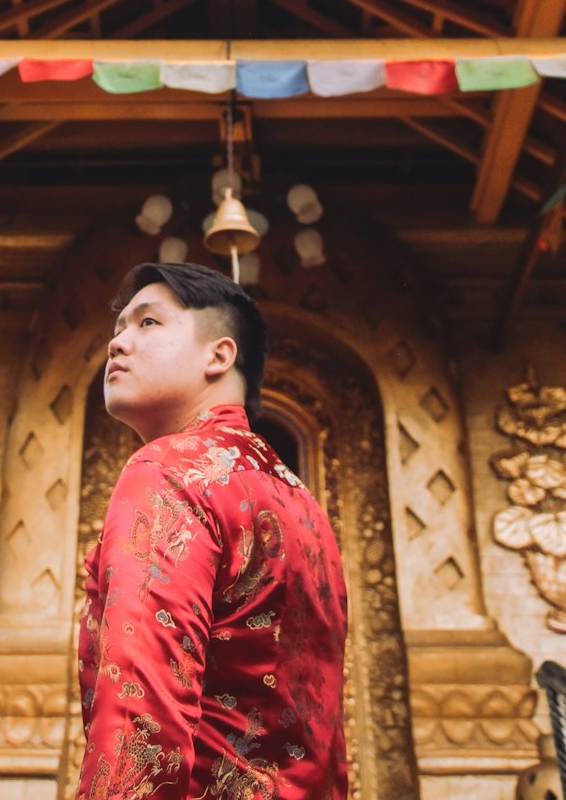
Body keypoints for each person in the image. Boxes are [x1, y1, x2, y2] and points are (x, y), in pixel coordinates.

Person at [76, 261, 348, 800]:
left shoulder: (169, 470)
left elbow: (140, 710)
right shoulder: (303, 502)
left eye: (147, 323)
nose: (118, 343)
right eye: (118, 329)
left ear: (219, 355)